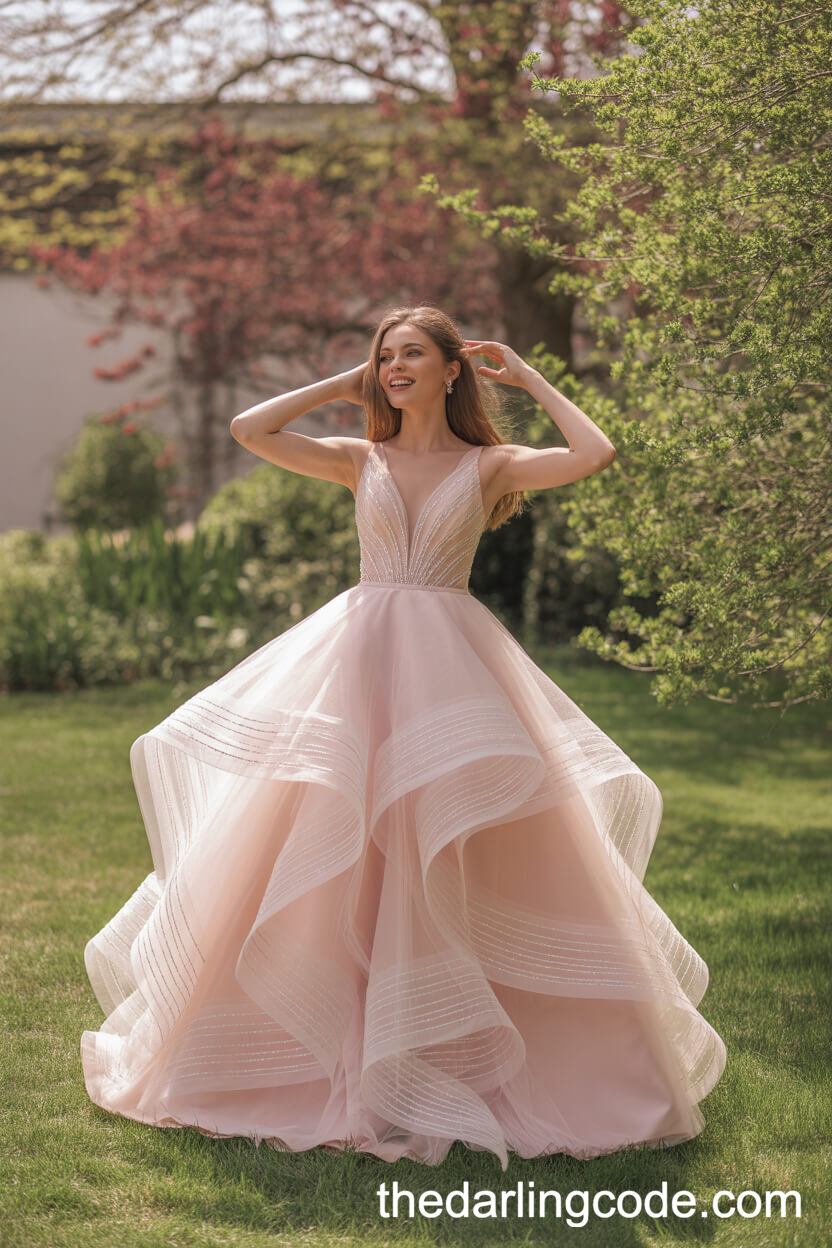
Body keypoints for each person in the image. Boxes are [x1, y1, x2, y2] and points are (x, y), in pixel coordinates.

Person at [81, 304, 726, 1171]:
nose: (394, 367)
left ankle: (465, 1052)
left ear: (451, 368)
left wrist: (529, 378)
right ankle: (313, 1050)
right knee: (327, 845)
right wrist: (342, 387)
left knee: (454, 845)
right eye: (385, 356)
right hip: (356, 665)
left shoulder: (490, 464)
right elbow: (248, 428)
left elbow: (594, 454)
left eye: (411, 354)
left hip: (452, 673)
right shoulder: (361, 457)